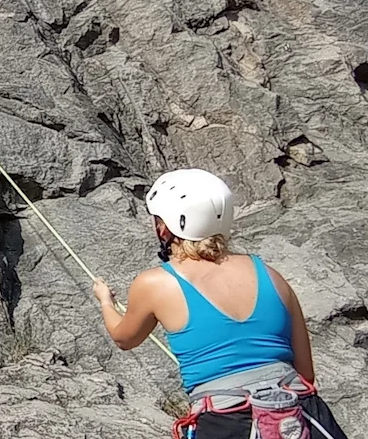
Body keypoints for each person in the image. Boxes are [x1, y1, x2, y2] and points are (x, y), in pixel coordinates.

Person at [90, 169, 349, 439]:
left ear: (163, 227)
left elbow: (124, 338)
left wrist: (106, 301)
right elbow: (305, 372)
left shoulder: (156, 283)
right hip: (300, 413)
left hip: (226, 420)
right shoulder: (271, 275)